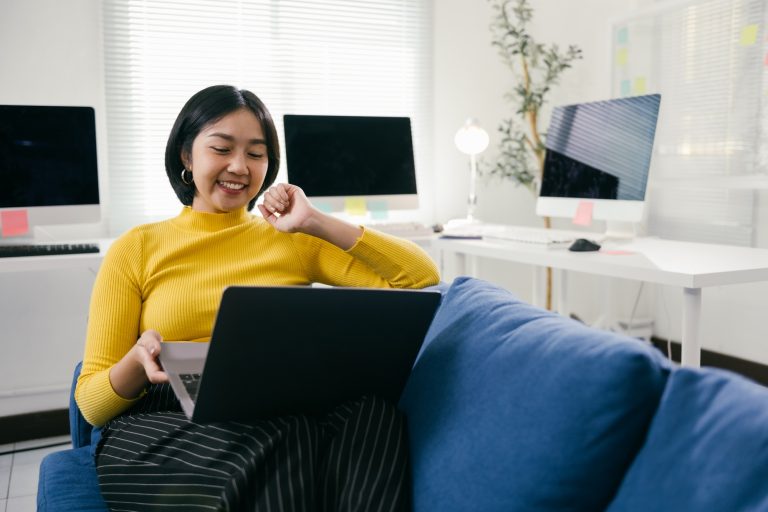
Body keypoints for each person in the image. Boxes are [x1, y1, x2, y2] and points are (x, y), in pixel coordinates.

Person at [75, 84, 440, 511]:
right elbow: (92, 404)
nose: (239, 166)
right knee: (288, 435)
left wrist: (316, 221)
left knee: (374, 415)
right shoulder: (136, 248)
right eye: (221, 148)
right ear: (186, 157)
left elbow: (420, 278)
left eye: (255, 153)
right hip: (163, 416)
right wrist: (136, 364)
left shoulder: (293, 238)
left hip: (276, 402)